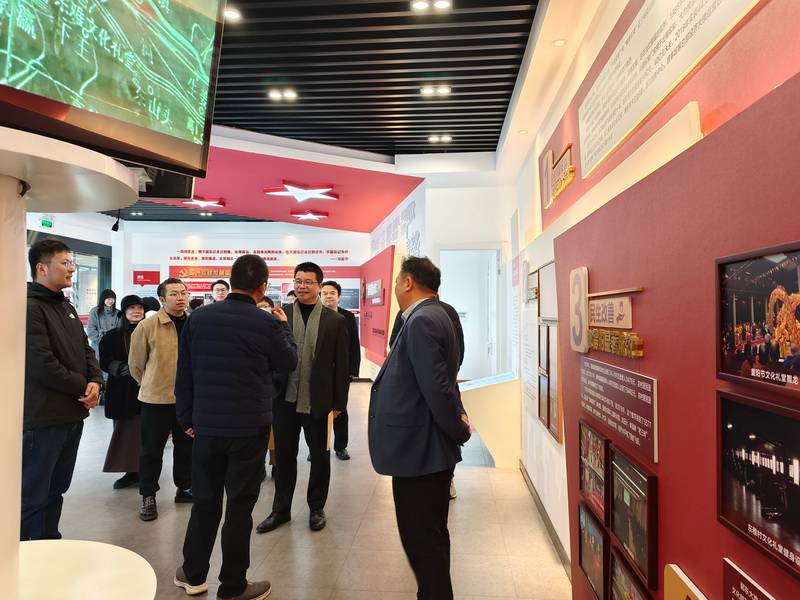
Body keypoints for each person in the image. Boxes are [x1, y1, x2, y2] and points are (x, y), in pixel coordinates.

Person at [173, 255, 298, 600]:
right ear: (263, 286)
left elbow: (185, 372)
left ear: (230, 280)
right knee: (240, 508)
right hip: (248, 429)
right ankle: (232, 586)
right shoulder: (267, 323)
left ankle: (193, 574)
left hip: (206, 426)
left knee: (204, 502)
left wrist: (186, 418)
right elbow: (289, 362)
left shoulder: (199, 318)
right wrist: (284, 326)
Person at [368, 256, 471, 600]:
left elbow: (437, 387)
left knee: (422, 541)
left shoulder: (422, 320)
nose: (396, 287)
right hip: (423, 449)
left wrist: (458, 429)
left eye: (397, 281)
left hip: (420, 451)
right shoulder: (436, 314)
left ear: (408, 282)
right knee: (429, 539)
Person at [256, 262, 349, 534]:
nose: (302, 286)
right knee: (284, 458)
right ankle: (281, 510)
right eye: (298, 281)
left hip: (318, 401)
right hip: (284, 400)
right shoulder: (280, 315)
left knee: (319, 457)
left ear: (319, 286)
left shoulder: (335, 321)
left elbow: (341, 366)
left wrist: (339, 404)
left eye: (308, 282)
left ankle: (316, 508)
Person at [22, 239, 103, 540]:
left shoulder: (65, 305)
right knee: (33, 495)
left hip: (71, 414)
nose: (71, 268)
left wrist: (96, 380)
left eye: (72, 262)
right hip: (43, 418)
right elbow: (42, 364)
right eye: (65, 263)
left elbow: (86, 349)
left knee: (56, 489)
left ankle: (49, 544)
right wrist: (84, 386)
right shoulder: (29, 307)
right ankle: (26, 553)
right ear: (42, 268)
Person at [389, 289, 466, 499]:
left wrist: (446, 376)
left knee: (444, 433)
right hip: (413, 389)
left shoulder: (447, 311)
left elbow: (458, 349)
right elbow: (394, 344)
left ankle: (447, 478)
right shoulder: (404, 313)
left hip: (442, 385)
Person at [129, 278, 193, 521]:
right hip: (155, 399)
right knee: (151, 450)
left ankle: (185, 487)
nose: (180, 298)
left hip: (187, 399)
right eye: (174, 294)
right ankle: (148, 495)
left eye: (184, 293)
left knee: (187, 446)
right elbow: (136, 365)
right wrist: (150, 383)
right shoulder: (148, 326)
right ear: (162, 299)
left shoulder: (194, 322)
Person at [100, 295, 146, 490]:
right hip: (122, 392)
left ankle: (145, 471)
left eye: (140, 308)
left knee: (145, 434)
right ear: (124, 312)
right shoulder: (111, 336)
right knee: (124, 433)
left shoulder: (150, 332)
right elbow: (105, 361)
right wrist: (125, 369)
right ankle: (130, 471)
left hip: (147, 391)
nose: (137, 311)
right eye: (132, 308)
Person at [320, 280, 360, 460]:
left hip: (342, 372)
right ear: (320, 296)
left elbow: (354, 345)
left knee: (341, 410)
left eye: (332, 293)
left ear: (339, 296)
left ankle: (340, 446)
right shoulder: (315, 315)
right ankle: (319, 446)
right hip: (320, 372)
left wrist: (352, 371)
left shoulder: (347, 317)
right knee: (319, 411)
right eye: (325, 293)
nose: (328, 296)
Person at [87, 289, 121, 357]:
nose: (110, 301)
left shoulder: (118, 313)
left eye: (112, 299)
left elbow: (120, 330)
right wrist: (102, 341)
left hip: (114, 346)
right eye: (108, 299)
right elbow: (91, 330)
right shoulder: (95, 311)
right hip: (98, 346)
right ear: (103, 299)